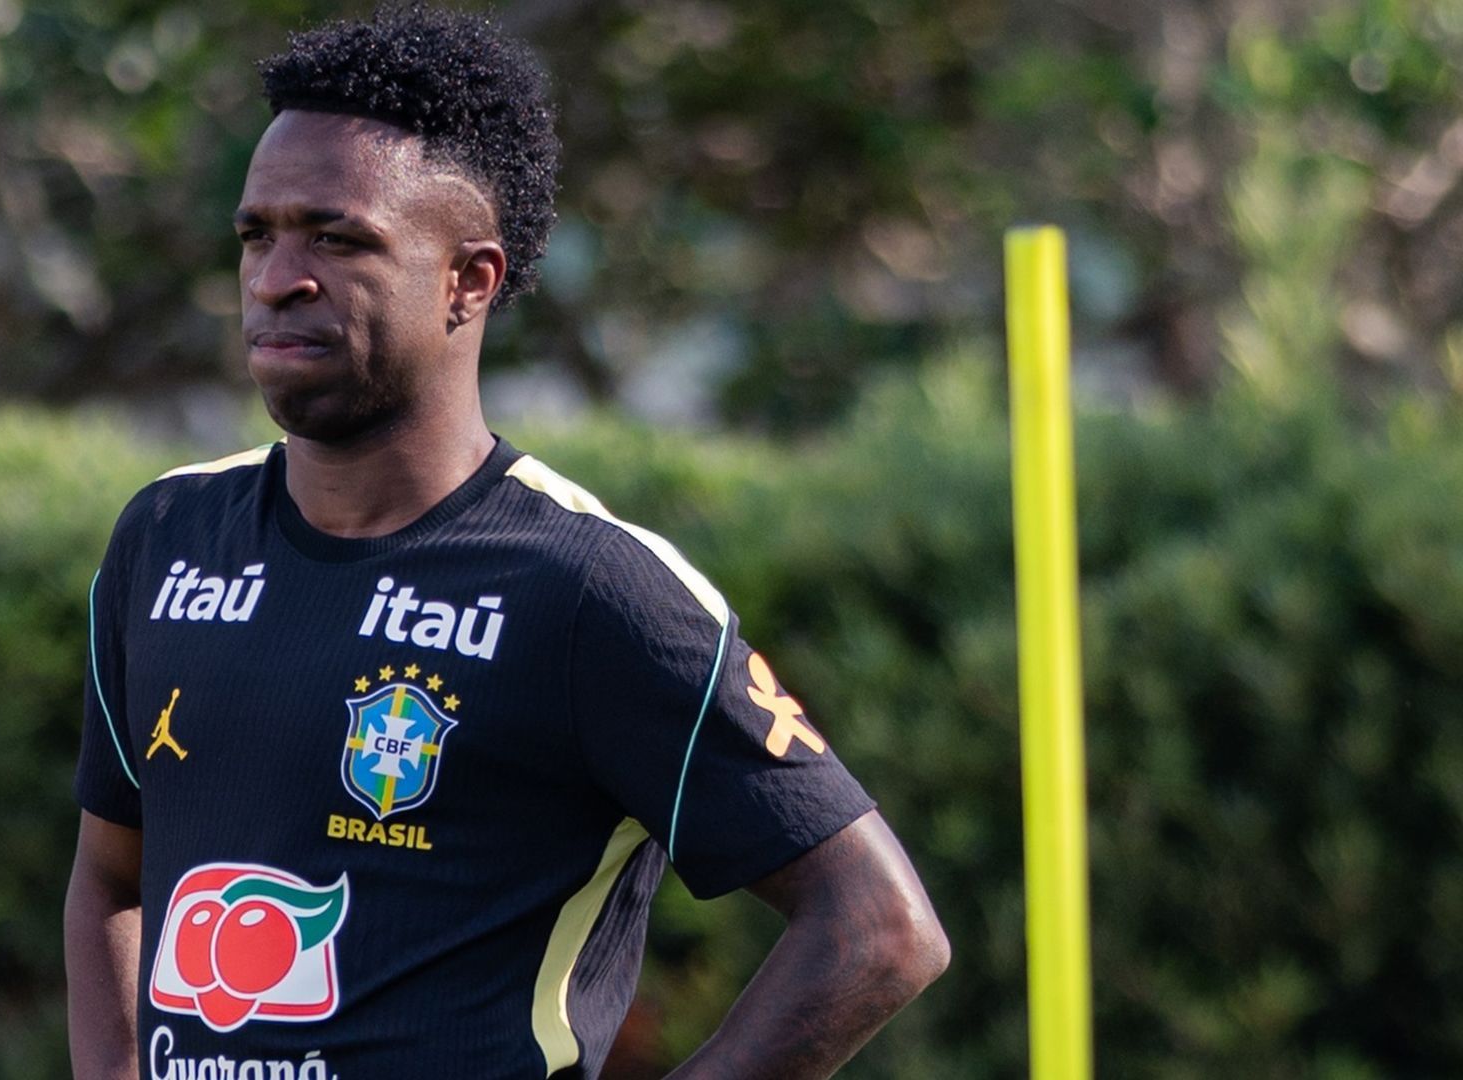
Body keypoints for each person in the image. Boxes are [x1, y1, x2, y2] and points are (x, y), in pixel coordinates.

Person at [64, 6, 948, 1078]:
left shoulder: (585, 587)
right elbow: (114, 876)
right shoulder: (167, 539)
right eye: (259, 233)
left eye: (337, 238)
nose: (275, 277)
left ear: (469, 281)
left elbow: (877, 928)